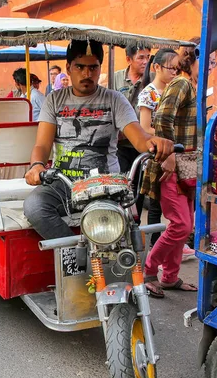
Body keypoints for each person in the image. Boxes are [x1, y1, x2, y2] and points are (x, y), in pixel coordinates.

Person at [23, 39, 174, 241]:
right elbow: (42, 144)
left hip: (106, 186)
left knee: (125, 234)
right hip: (63, 184)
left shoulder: (114, 99)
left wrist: (157, 143)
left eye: (93, 67)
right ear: (68, 68)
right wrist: (37, 165)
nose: (87, 74)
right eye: (80, 67)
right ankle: (74, 258)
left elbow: (140, 139)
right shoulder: (54, 100)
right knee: (34, 206)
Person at [141, 45, 200, 298]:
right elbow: (162, 118)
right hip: (173, 165)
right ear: (193, 63)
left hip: (186, 165)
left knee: (184, 225)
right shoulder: (182, 84)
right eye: (209, 63)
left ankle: (170, 277)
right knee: (181, 225)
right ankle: (148, 270)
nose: (209, 68)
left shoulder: (186, 85)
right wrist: (171, 154)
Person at [135, 48, 179, 247]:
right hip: (156, 154)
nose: (174, 73)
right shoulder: (148, 94)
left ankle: (172, 240)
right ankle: (155, 244)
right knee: (155, 204)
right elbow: (145, 128)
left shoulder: (174, 91)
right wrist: (168, 135)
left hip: (174, 151)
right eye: (171, 68)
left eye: (177, 69)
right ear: (157, 67)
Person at [113, 44, 152, 173]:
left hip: (145, 143)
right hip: (121, 145)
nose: (145, 61)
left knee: (140, 185)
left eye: (148, 57)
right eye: (140, 58)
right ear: (128, 59)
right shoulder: (115, 79)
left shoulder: (153, 79)